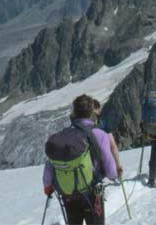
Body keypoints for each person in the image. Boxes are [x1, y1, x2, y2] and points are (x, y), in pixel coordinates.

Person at [43, 94, 119, 225]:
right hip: (92, 193)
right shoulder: (100, 134)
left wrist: (47, 186)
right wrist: (113, 175)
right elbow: (111, 171)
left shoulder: (65, 135)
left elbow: (50, 164)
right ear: (91, 112)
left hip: (68, 194)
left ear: (74, 112)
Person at [92, 99, 124, 178]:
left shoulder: (79, 125)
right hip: (100, 166)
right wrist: (118, 166)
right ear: (97, 109)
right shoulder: (102, 123)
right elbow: (113, 147)